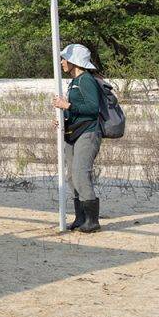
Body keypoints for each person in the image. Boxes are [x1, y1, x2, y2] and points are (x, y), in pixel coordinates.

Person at [53, 43, 104, 233]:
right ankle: (80, 218)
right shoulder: (74, 82)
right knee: (71, 176)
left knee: (80, 173)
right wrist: (64, 118)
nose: (62, 62)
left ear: (74, 61)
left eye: (65, 59)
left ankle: (92, 221)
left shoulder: (86, 80)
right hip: (73, 133)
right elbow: (77, 110)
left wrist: (67, 106)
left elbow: (92, 108)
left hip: (88, 133)